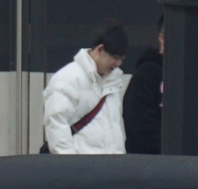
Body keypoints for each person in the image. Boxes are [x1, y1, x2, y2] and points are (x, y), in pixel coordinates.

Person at [41, 22, 129, 154]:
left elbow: (116, 130)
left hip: (109, 170)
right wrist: (72, 169)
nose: (118, 63)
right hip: (81, 171)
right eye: (115, 57)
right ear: (100, 50)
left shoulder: (113, 82)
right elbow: (57, 127)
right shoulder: (67, 79)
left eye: (122, 59)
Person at [122, 19, 165, 154]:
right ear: (162, 39)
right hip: (149, 163)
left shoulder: (191, 76)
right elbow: (138, 122)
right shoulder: (146, 73)